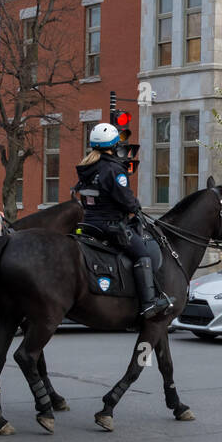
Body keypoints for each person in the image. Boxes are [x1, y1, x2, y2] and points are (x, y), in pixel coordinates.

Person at [73, 122, 170, 318]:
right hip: (110, 225)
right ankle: (149, 304)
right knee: (142, 254)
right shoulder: (114, 170)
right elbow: (126, 200)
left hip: (88, 223)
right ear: (115, 145)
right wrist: (135, 207)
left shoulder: (86, 168)